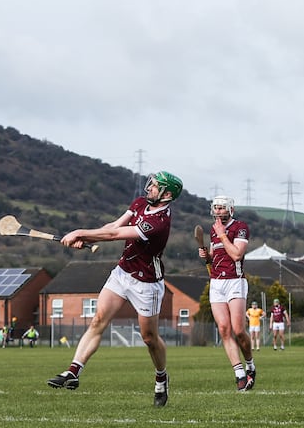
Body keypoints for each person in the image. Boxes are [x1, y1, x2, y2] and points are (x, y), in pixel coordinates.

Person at [47, 171, 183, 408]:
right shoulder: (141, 203)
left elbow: (116, 234)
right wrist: (89, 240)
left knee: (149, 338)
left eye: (155, 186)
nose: (149, 187)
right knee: (98, 319)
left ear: (167, 194)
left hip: (147, 282)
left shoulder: (159, 223)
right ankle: (73, 371)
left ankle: (161, 377)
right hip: (122, 273)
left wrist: (80, 232)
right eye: (151, 183)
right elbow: (113, 226)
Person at [198, 196, 256, 391]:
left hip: (235, 281)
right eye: (216, 208)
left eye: (222, 208)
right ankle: (239, 374)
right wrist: (207, 255)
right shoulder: (214, 229)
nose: (218, 211)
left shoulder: (240, 227)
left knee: (238, 330)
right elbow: (217, 254)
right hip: (216, 283)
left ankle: (250, 364)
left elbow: (236, 254)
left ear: (230, 209)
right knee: (224, 329)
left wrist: (222, 235)